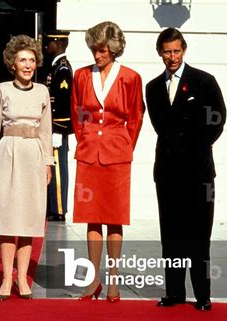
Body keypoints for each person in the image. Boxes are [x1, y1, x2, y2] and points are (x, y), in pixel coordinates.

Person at [145, 28, 226, 311]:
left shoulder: (204, 81)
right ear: (160, 53)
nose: (172, 57)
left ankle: (203, 296)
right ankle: (174, 293)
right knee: (171, 235)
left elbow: (218, 118)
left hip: (199, 173)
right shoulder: (153, 87)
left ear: (184, 50)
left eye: (176, 51)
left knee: (199, 237)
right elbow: (160, 126)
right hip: (167, 173)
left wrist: (199, 146)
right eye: (167, 51)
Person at [71, 21, 144, 302]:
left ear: (113, 49)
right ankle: (93, 282)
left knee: (115, 219)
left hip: (117, 154)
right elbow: (77, 115)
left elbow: (136, 116)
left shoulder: (130, 78)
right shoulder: (80, 76)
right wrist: (87, 139)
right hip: (89, 153)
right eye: (94, 50)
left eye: (102, 50)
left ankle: (114, 281)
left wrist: (123, 144)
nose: (97, 55)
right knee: (91, 218)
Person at [0, 35, 53, 301]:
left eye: (32, 60)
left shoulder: (43, 91)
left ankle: (22, 279)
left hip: (33, 154)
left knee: (29, 220)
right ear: (12, 63)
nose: (27, 65)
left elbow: (47, 130)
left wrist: (48, 162)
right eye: (22, 60)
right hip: (8, 153)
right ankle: (6, 279)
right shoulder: (2, 89)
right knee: (8, 218)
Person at [43, 30, 73, 222]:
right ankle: (54, 207)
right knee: (52, 168)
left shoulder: (62, 68)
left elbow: (62, 101)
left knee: (58, 169)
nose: (46, 47)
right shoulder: (55, 67)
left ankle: (59, 209)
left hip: (57, 127)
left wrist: (58, 129)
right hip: (52, 126)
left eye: (49, 43)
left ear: (59, 44)